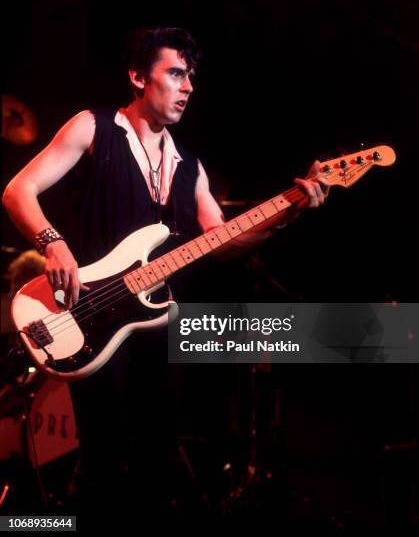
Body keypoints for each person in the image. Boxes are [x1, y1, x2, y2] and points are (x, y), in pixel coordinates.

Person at [2, 27, 329, 520]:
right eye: (176, 73)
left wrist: (290, 210)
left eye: (191, 76)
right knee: (101, 460)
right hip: (86, 316)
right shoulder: (94, 127)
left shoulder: (189, 166)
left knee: (154, 462)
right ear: (137, 77)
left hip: (152, 329)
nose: (188, 86)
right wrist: (55, 245)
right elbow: (17, 191)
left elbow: (223, 242)